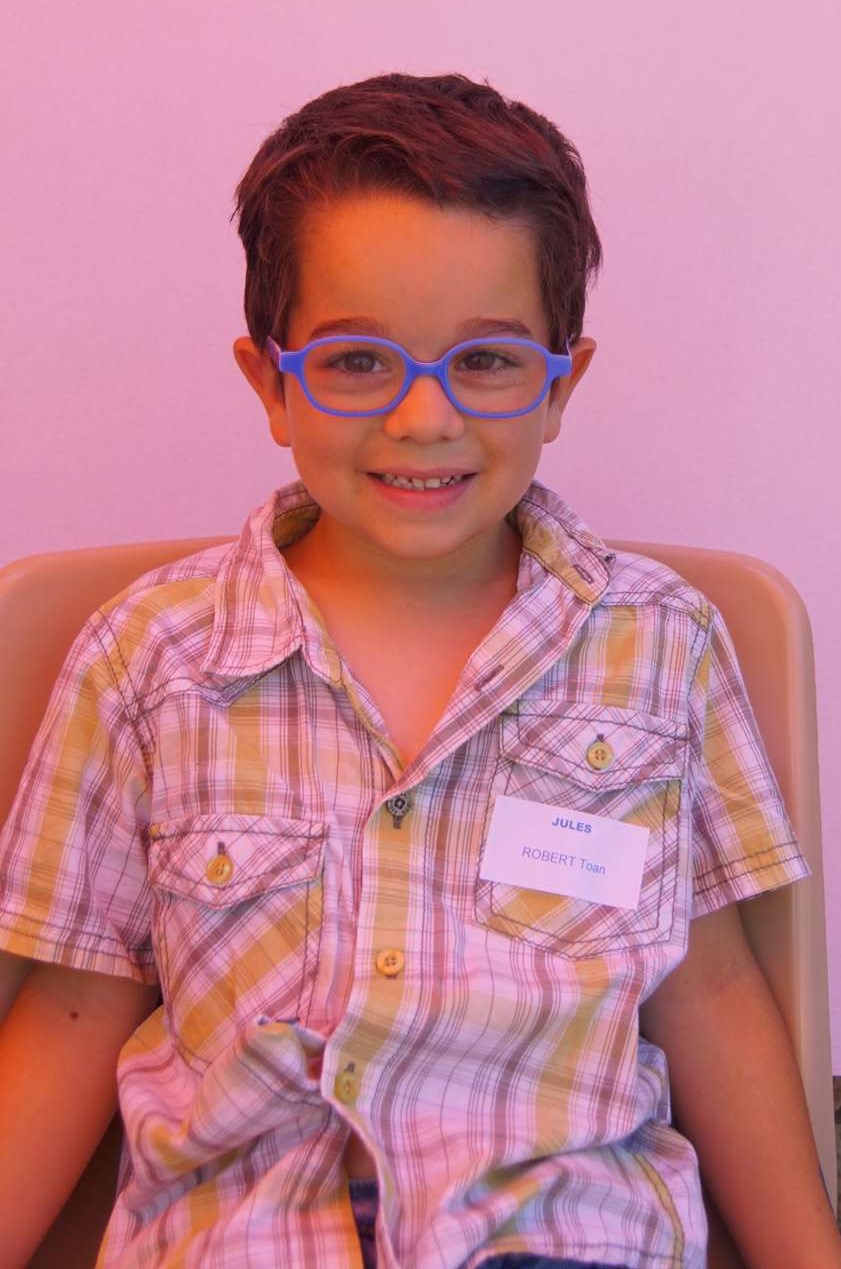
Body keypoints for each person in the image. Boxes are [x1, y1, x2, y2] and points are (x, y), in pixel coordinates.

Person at [0, 72, 837, 1269]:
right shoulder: (149, 660)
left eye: (485, 361)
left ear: (561, 384)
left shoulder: (661, 643)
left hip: (559, 1239)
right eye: (356, 362)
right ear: (271, 383)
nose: (422, 419)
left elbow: (706, 995)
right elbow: (75, 1009)